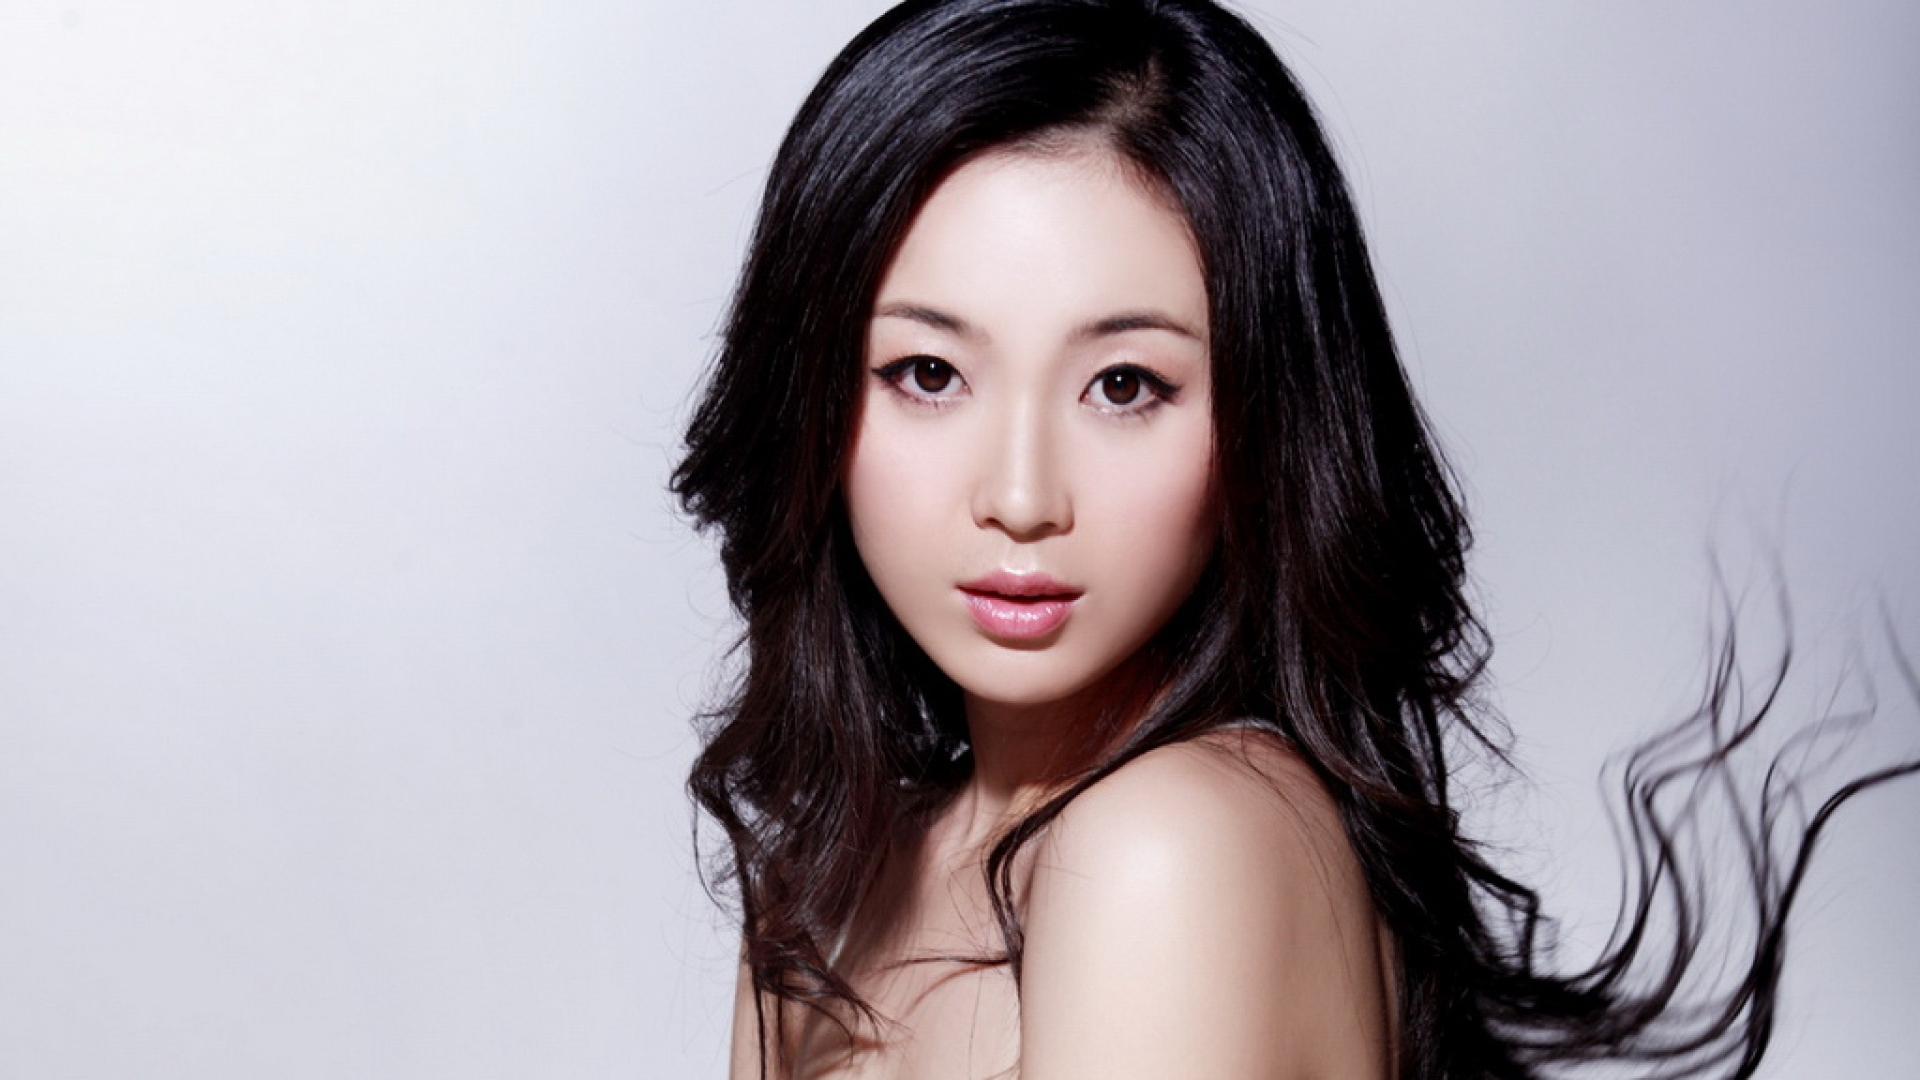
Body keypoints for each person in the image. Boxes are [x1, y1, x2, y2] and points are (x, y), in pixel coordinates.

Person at [672, 1, 1918, 1077]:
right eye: (929, 372)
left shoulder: (1163, 847)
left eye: (1124, 386)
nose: (1020, 494)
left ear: (1266, 416)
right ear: (810, 394)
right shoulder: (822, 896)